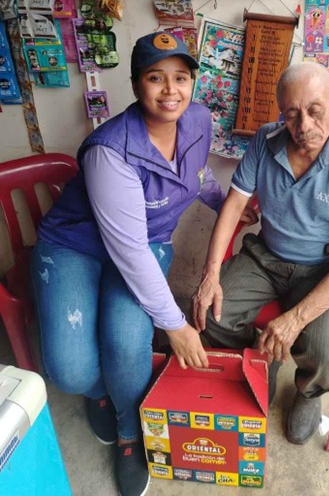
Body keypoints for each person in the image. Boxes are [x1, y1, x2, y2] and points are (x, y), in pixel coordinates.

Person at [31, 31, 254, 496]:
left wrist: (223, 203)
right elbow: (128, 250)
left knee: (126, 342)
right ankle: (99, 393)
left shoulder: (198, 120)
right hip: (76, 246)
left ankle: (130, 432)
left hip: (146, 242)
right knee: (70, 369)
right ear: (136, 85)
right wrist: (175, 325)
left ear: (192, 83)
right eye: (156, 77)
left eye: (181, 77)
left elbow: (196, 174)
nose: (170, 90)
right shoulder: (110, 150)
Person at [192, 61, 329, 446]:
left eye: (315, 110)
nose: (304, 126)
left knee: (323, 349)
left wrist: (295, 320)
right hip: (266, 257)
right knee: (210, 313)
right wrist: (210, 275)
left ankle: (308, 392)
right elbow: (234, 205)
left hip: (322, 268)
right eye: (292, 114)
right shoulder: (265, 140)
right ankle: (259, 360)